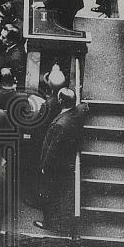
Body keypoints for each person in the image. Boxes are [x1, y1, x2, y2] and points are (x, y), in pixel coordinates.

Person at [32, 88, 89, 233]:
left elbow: (52, 149)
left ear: (61, 101)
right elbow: (84, 107)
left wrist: (45, 166)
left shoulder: (60, 125)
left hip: (54, 166)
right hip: (65, 162)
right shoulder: (77, 112)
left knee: (49, 192)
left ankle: (48, 222)